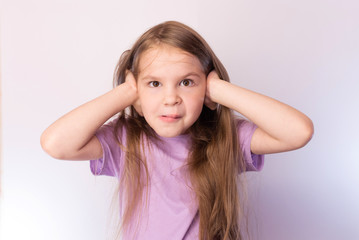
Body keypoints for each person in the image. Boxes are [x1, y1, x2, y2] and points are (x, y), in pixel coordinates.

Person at [40, 21, 314, 240]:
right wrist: (126, 92)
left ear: (205, 86)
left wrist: (220, 90)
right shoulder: (125, 140)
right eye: (155, 84)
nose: (171, 98)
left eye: (186, 82)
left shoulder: (226, 137)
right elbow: (56, 143)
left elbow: (298, 132)